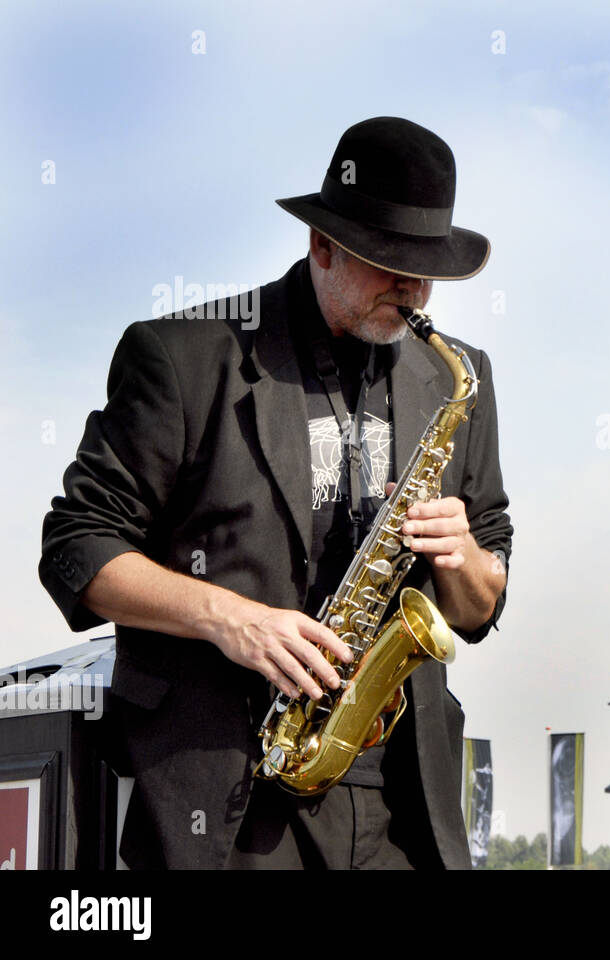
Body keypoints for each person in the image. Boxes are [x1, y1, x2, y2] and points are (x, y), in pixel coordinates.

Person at [38, 117, 511, 869]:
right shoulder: (186, 358)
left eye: (426, 272)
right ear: (322, 243)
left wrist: (465, 560)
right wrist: (232, 619)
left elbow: (481, 605)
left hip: (399, 801)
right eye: (389, 264)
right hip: (229, 799)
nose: (413, 291)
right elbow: (76, 546)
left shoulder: (458, 377)